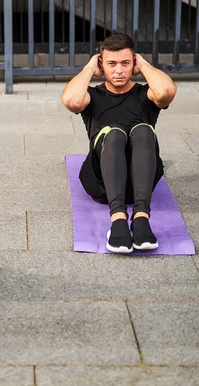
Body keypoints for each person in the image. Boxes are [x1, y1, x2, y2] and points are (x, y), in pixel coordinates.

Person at [61, 33, 177, 254]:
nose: (118, 70)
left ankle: (141, 219)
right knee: (114, 134)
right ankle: (118, 221)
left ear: (133, 62)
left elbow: (165, 91)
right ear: (101, 65)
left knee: (142, 130)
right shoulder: (93, 96)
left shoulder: (145, 94)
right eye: (111, 64)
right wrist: (88, 69)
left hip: (139, 185)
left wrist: (143, 64)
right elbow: (72, 101)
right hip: (102, 183)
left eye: (125, 63)